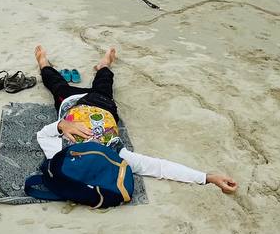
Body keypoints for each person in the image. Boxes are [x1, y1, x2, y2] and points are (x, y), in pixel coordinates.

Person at [34, 45, 238, 193]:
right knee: (105, 81)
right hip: (103, 104)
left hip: (71, 102)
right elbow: (159, 167)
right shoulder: (116, 154)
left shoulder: (61, 157)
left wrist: (62, 124)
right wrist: (207, 177)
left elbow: (43, 135)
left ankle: (43, 62)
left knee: (56, 84)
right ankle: (104, 64)